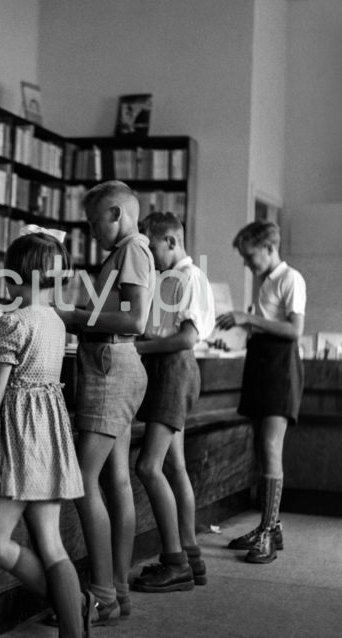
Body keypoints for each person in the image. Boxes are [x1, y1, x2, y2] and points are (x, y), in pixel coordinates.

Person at [0, 232, 91, 638]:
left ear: (21, 277)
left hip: (17, 441)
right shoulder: (55, 321)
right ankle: (74, 615)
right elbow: (24, 351)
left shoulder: (12, 321)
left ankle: (72, 604)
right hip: (49, 438)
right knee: (52, 547)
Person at [54, 180, 154, 624]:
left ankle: (102, 595)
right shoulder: (127, 251)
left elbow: (135, 319)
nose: (92, 233)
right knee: (115, 481)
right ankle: (118, 589)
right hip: (115, 363)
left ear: (116, 213)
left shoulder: (131, 250)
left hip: (112, 365)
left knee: (80, 480)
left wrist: (73, 317)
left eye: (95, 223)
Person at [132, 212, 215, 592]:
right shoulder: (171, 279)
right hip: (168, 370)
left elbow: (186, 338)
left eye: (151, 247)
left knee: (148, 467)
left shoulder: (189, 277)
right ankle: (191, 555)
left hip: (174, 371)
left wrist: (140, 345)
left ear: (171, 241)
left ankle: (174, 561)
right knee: (174, 464)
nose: (148, 256)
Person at [216, 220, 306, 563]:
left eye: (249, 255)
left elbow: (294, 330)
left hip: (280, 369)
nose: (246, 262)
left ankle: (268, 531)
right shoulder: (267, 281)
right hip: (262, 365)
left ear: (269, 248)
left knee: (270, 447)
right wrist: (245, 326)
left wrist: (247, 319)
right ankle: (271, 526)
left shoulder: (290, 278)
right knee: (260, 447)